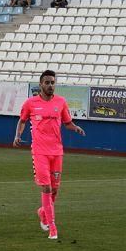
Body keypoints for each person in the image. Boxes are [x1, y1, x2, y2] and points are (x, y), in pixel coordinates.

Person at [13, 70, 86, 240]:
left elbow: (67, 123)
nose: (50, 85)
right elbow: (22, 121)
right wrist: (17, 136)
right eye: (47, 82)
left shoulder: (61, 102)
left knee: (54, 190)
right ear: (41, 84)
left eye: (52, 82)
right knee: (46, 187)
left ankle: (42, 212)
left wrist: (75, 128)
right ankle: (52, 227)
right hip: (39, 152)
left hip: (57, 152)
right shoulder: (30, 103)